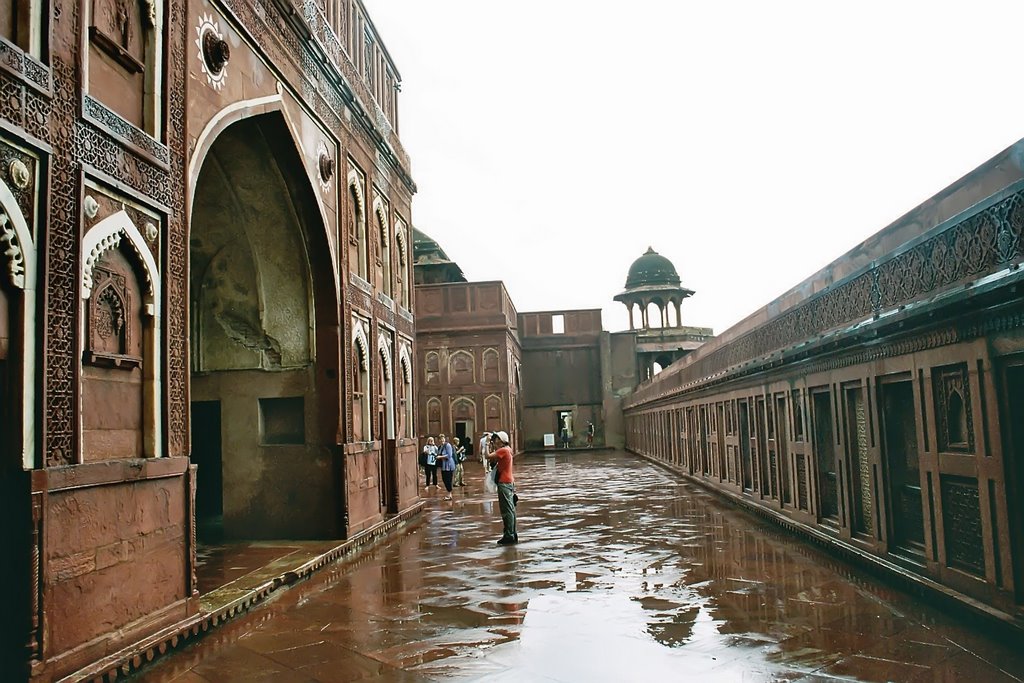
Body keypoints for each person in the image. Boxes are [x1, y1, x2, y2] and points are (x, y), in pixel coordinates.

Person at [487, 430, 517, 545]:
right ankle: (512, 533)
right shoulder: (507, 450)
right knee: (511, 509)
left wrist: (486, 443)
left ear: (502, 440)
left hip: (504, 482)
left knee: (506, 510)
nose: (495, 441)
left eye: (496, 439)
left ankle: (509, 535)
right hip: (509, 481)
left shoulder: (503, 450)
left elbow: (487, 456)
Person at [436, 433, 456, 501]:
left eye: (443, 438)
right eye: (440, 439)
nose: (442, 440)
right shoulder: (440, 447)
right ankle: (449, 493)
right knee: (444, 479)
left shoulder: (448, 445)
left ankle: (449, 494)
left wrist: (440, 457)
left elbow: (449, 455)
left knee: (448, 480)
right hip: (443, 466)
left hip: (449, 465)